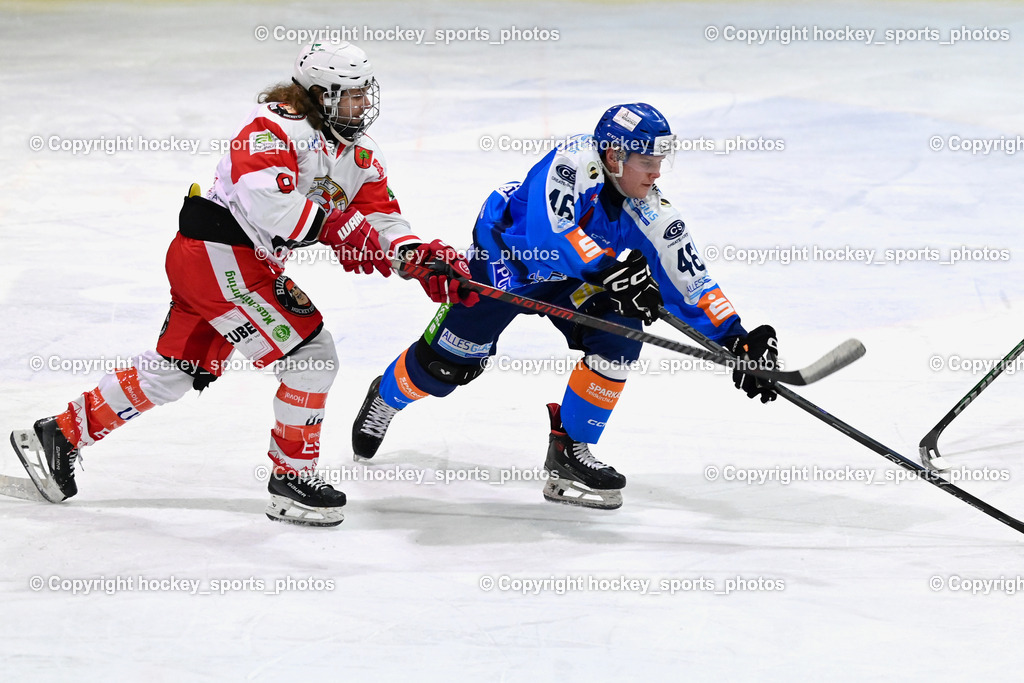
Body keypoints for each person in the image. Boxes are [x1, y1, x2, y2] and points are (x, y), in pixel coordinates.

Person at [7, 41, 476, 527]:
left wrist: (416, 256)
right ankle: (291, 480)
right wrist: (338, 228)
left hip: (223, 261)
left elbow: (381, 217)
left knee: (177, 370)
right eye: (350, 95)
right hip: (220, 254)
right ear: (319, 93)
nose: (363, 104)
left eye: (364, 93)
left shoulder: (359, 154)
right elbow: (267, 204)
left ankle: (59, 436)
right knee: (312, 358)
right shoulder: (271, 129)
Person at [351, 103, 779, 510]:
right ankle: (386, 398)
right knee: (448, 366)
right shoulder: (572, 162)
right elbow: (549, 234)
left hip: (572, 280)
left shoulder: (652, 211)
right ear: (614, 155)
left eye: (660, 162)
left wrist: (736, 338)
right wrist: (608, 269)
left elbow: (690, 278)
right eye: (646, 161)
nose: (656, 173)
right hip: (507, 262)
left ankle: (569, 448)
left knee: (621, 329)